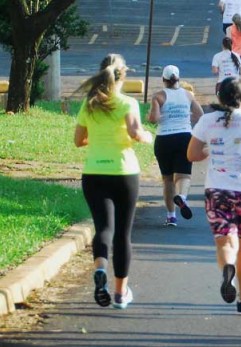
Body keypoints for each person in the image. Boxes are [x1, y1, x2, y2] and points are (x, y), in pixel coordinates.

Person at [74, 54, 152, 309]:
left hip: (94, 173)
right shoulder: (128, 103)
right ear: (123, 75)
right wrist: (146, 137)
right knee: (123, 234)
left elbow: (78, 140)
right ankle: (120, 294)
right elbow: (134, 132)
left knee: (103, 228)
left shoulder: (89, 105)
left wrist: (97, 139)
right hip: (124, 173)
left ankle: (100, 269)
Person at [187, 78, 241, 316]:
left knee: (225, 243)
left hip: (217, 190)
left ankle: (228, 267)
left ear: (219, 97)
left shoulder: (207, 121)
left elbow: (192, 154)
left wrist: (213, 149)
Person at [147, 65, 204, 226]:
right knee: (184, 175)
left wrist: (149, 115)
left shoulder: (158, 96)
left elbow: (153, 118)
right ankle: (182, 197)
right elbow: (200, 114)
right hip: (184, 136)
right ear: (178, 79)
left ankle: (171, 216)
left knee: (167, 179)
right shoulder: (188, 94)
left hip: (164, 138)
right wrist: (185, 119)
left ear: (164, 80)